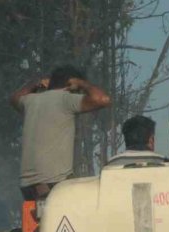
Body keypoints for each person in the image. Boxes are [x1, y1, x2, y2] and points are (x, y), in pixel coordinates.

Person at [11, 65, 111, 199]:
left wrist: (36, 84)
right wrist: (82, 83)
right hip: (54, 185)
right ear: (71, 85)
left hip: (27, 187)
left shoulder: (31, 100)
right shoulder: (65, 98)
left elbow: (14, 99)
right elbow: (103, 99)